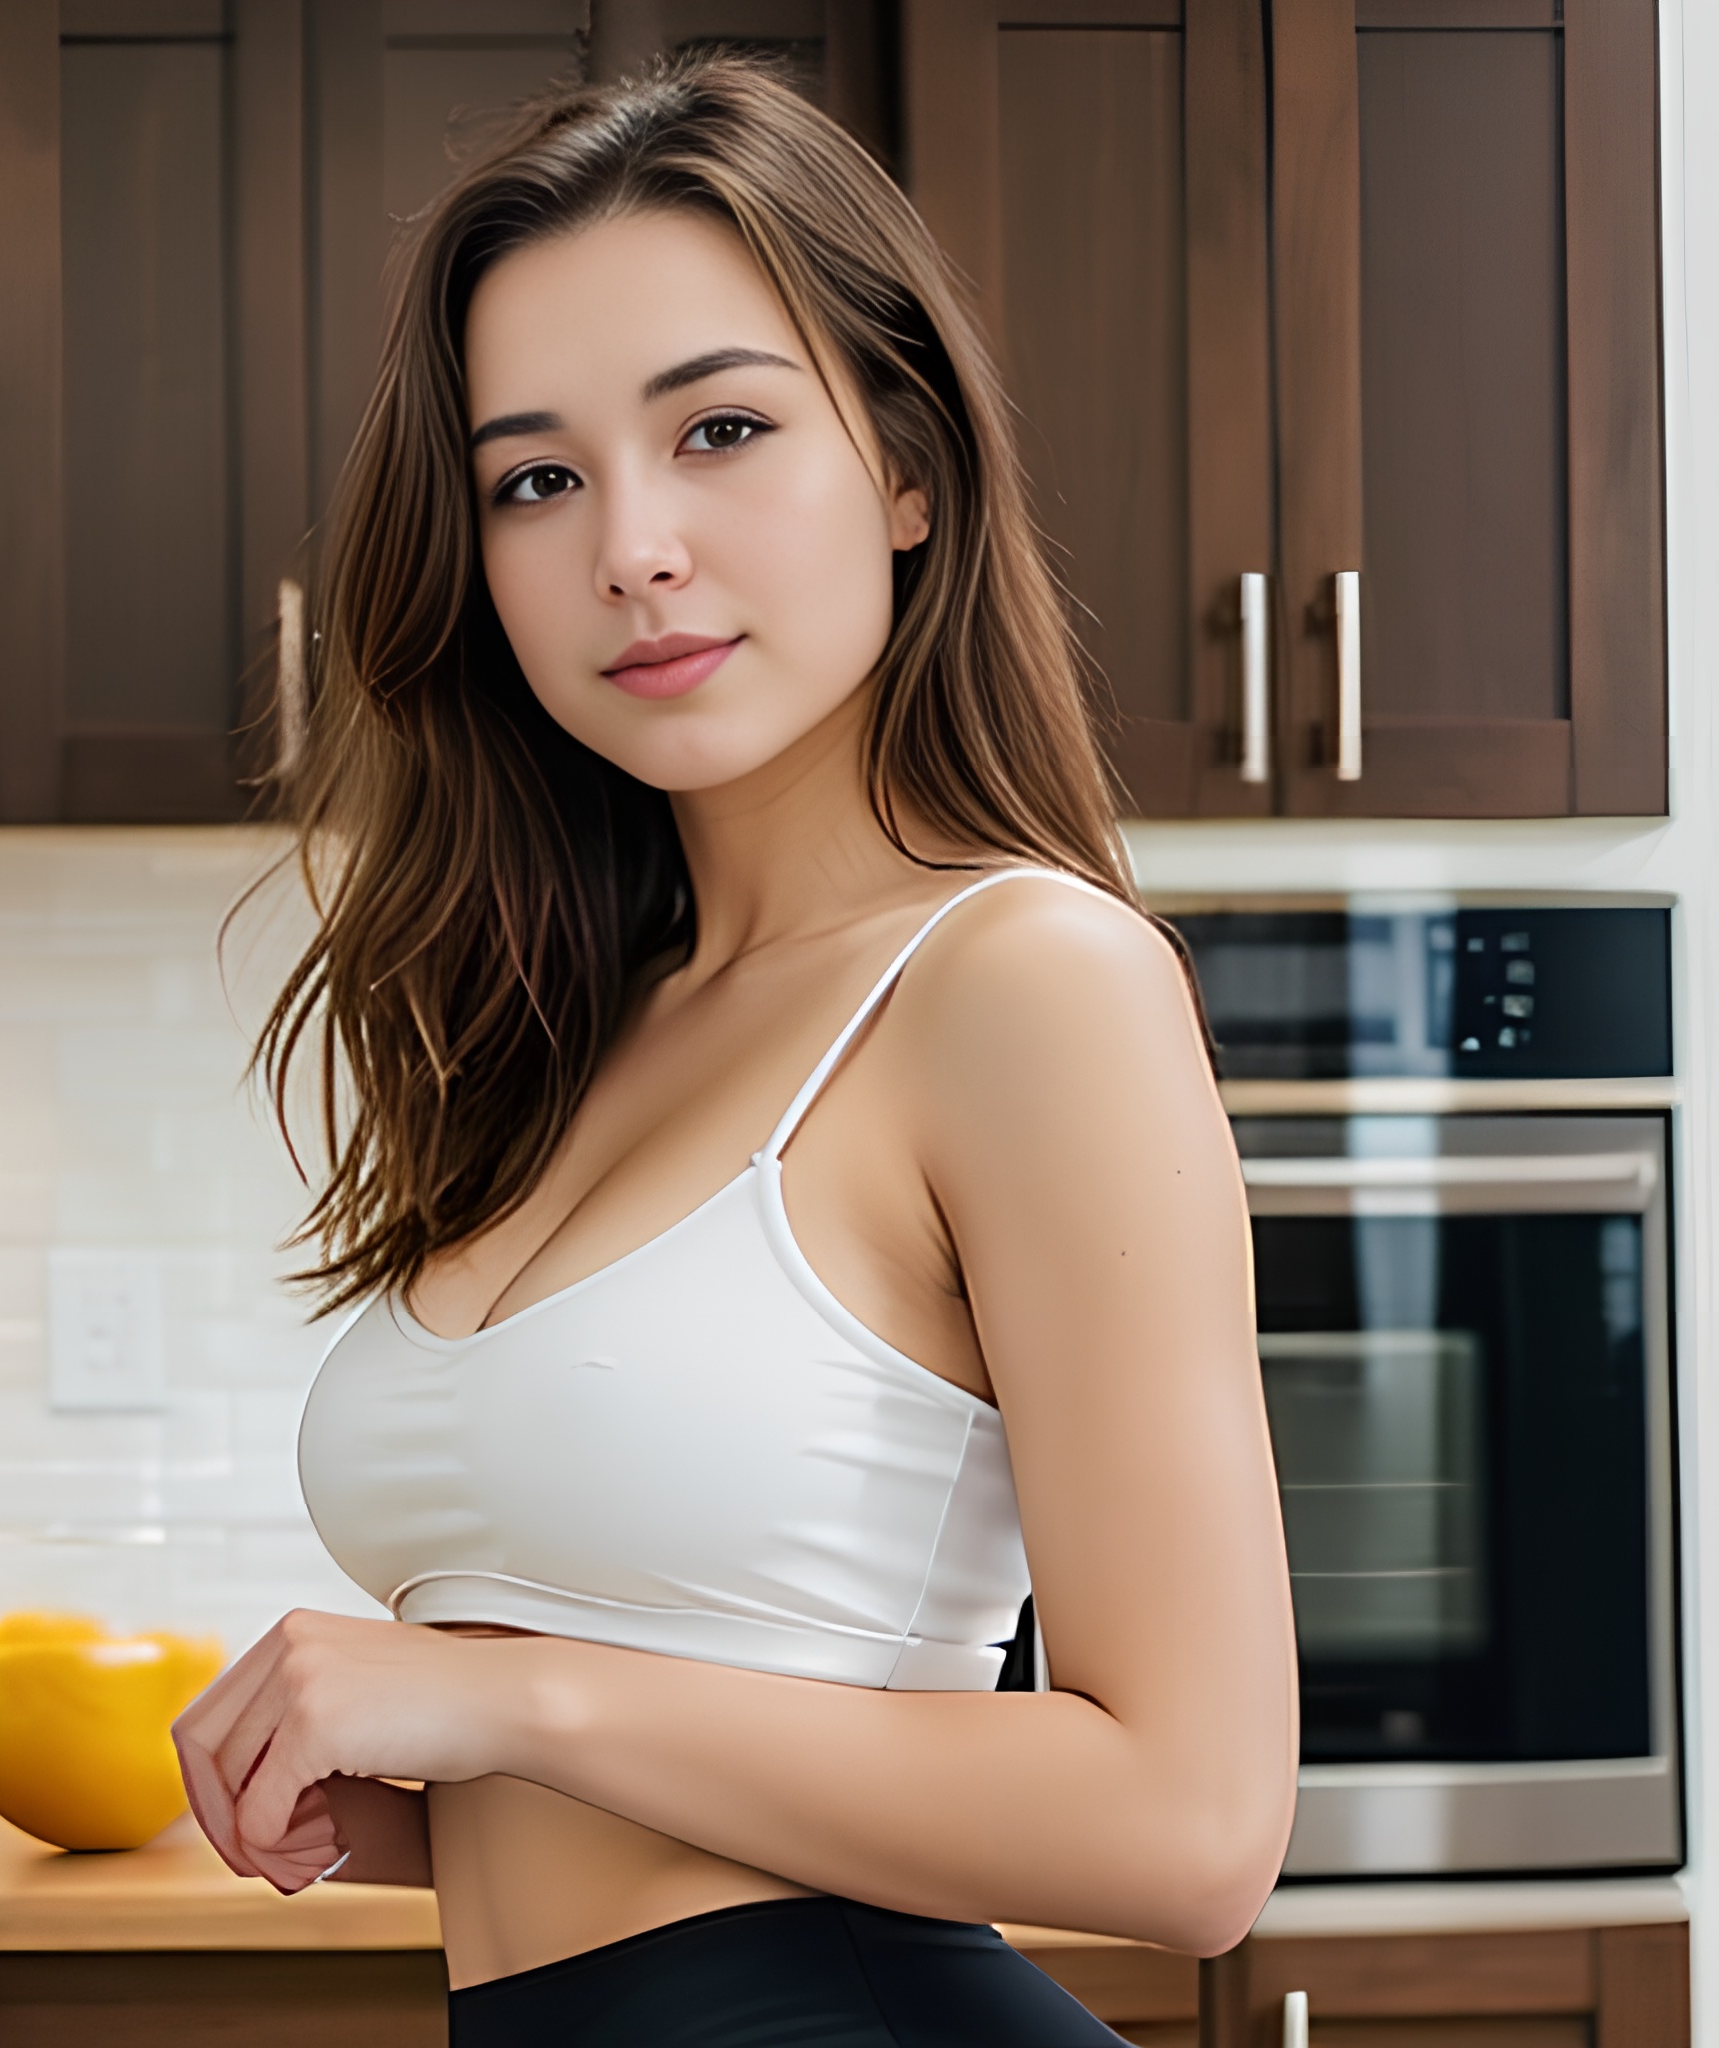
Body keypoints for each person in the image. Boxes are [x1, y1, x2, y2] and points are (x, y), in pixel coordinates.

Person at [174, 54, 1296, 2046]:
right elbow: (702, 1773)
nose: (632, 546)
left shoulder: (1022, 979)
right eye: (538, 476)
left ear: (904, 465)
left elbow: (1192, 1826)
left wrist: (502, 1697)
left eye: (718, 430)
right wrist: (433, 1804)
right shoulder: (588, 1025)